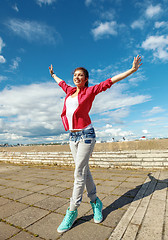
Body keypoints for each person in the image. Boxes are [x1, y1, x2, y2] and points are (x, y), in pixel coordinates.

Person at [49, 55, 142, 233]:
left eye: (80, 75)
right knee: (84, 170)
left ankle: (72, 211)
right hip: (72, 137)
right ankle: (95, 202)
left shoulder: (90, 91)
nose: (77, 77)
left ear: (86, 79)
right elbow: (60, 82)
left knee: (78, 173)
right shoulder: (69, 91)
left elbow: (110, 81)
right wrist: (53, 75)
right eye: (75, 75)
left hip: (86, 135)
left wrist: (132, 70)